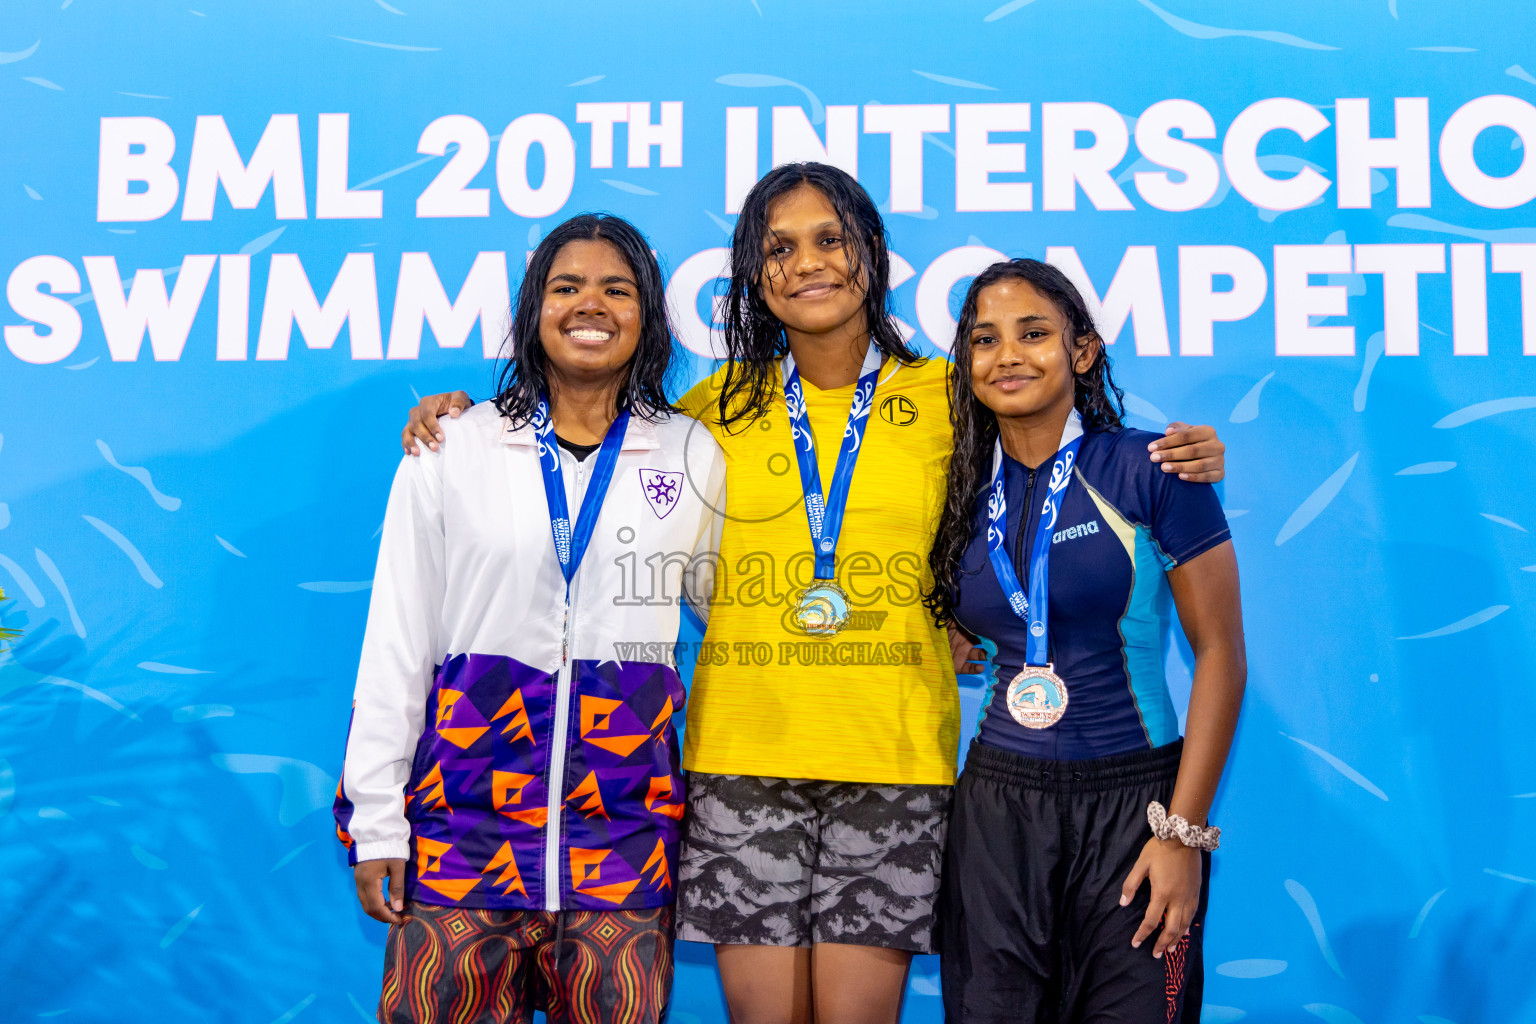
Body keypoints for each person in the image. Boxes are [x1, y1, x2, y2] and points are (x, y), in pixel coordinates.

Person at [400, 163, 1228, 1024]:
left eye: (830, 240)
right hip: (739, 762)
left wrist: (1189, 457)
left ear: (872, 253)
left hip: (895, 763)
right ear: (754, 276)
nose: (808, 264)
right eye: (780, 248)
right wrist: (467, 416)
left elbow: (1056, 458)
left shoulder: (951, 393)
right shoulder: (711, 407)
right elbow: (591, 435)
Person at [333, 213, 726, 1024]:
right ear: (532, 310)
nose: (591, 305)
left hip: (621, 839)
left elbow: (734, 618)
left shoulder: (690, 453)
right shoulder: (454, 446)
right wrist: (377, 820)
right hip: (464, 837)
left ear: (648, 316)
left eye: (617, 290)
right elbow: (398, 639)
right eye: (567, 287)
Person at [925, 259, 1246, 1023]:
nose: (1008, 355)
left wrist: (1182, 837)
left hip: (1137, 809)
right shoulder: (958, 494)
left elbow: (1223, 658)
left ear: (1083, 350)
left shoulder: (1153, 467)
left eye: (1033, 333)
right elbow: (961, 621)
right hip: (999, 811)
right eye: (984, 339)